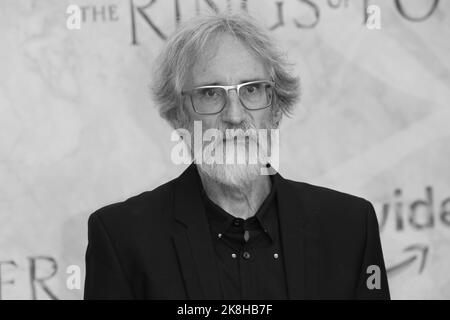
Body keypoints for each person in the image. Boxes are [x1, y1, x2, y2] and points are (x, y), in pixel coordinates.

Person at [84, 13, 390, 300]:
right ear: (178, 115)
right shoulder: (121, 239)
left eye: (252, 90)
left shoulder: (350, 227)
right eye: (210, 93)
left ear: (275, 108)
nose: (234, 114)